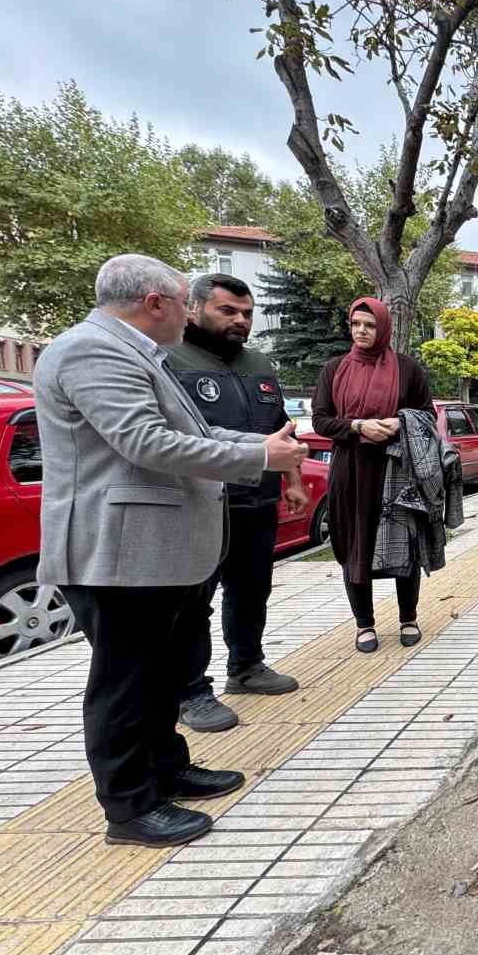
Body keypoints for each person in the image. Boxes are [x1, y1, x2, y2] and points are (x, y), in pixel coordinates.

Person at [33, 255, 308, 847]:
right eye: (186, 301)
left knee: (161, 673)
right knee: (124, 682)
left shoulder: (138, 353)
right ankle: (130, 809)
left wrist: (262, 444)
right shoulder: (91, 351)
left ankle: (166, 768)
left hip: (157, 553)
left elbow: (195, 436)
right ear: (155, 302)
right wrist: (259, 458)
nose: (188, 314)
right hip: (119, 553)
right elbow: (146, 442)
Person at [167, 273, 307, 733]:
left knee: (251, 591)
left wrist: (292, 480)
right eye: (228, 311)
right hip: (201, 503)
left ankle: (246, 667)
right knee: (194, 602)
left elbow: (281, 429)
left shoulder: (258, 363)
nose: (240, 321)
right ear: (195, 309)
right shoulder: (170, 360)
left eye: (247, 313)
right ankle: (191, 691)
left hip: (256, 501)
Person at [312, 298, 435, 652]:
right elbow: (321, 420)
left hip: (397, 470)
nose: (362, 331)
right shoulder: (333, 369)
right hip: (350, 471)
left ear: (383, 328)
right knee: (355, 544)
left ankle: (408, 617)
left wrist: (400, 422)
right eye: (356, 324)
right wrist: (357, 425)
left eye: (370, 325)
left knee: (403, 542)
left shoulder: (407, 368)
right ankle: (364, 625)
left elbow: (426, 414)